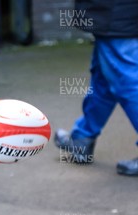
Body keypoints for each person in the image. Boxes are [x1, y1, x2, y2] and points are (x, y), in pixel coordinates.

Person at [55, 0, 138, 175]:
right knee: (103, 78)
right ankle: (82, 138)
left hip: (117, 13)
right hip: (114, 14)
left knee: (128, 84)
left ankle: (83, 138)